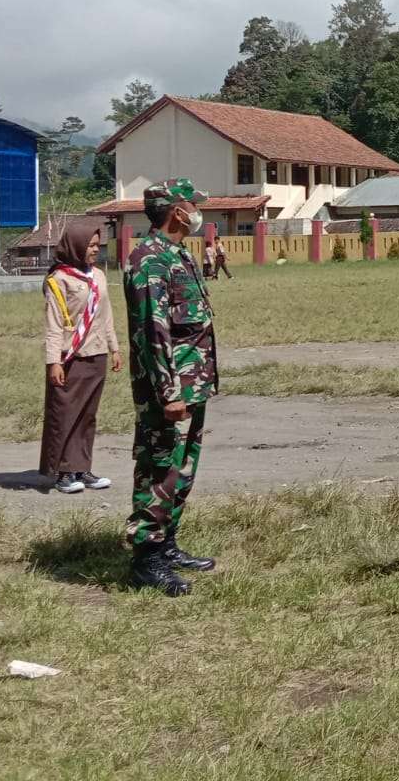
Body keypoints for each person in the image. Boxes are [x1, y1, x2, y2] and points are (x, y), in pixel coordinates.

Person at [124, 178, 221, 596]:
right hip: (170, 388)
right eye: (191, 205)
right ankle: (146, 557)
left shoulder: (178, 253)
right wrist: (169, 392)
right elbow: (154, 331)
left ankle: (167, 544)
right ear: (174, 211)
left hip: (191, 381)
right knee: (159, 468)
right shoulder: (149, 259)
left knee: (182, 467)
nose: (197, 211)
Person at [41, 220, 121, 494]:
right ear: (76, 246)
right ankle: (63, 471)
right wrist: (53, 361)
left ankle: (82, 467)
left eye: (97, 245)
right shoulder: (59, 279)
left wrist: (114, 348)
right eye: (90, 245)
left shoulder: (97, 275)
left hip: (96, 354)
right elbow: (53, 324)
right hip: (69, 357)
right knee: (66, 413)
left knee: (88, 415)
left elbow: (106, 314)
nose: (95, 250)